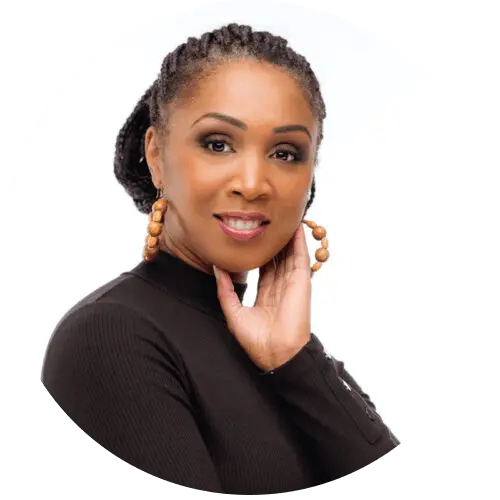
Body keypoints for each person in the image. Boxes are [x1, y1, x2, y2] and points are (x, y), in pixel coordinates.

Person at [41, 23, 400, 495]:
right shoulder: (110, 337)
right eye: (217, 144)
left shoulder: (280, 353)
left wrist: (295, 359)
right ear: (156, 155)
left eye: (285, 153)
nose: (252, 183)